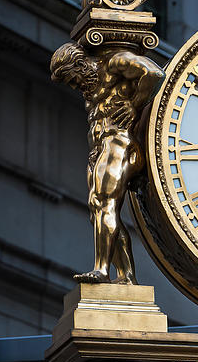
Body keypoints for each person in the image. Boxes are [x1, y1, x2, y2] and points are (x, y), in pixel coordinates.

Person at [50, 42, 164, 284]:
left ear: (80, 64)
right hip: (100, 148)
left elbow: (154, 73)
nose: (74, 86)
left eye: (73, 79)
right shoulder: (90, 88)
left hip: (119, 142)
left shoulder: (114, 64)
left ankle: (102, 270)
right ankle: (126, 276)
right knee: (98, 209)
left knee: (104, 203)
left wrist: (134, 106)